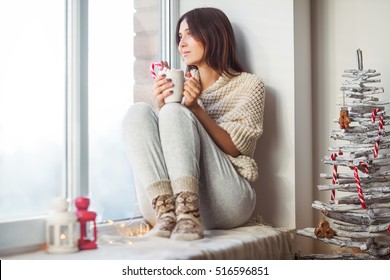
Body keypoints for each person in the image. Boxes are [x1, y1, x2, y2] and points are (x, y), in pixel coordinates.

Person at [122, 7, 265, 241]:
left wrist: (194, 108)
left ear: (214, 34)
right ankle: (167, 214)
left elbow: (237, 148)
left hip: (227, 201)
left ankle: (188, 213)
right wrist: (163, 106)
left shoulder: (250, 85)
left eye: (190, 34)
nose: (181, 44)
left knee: (174, 111)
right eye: (179, 37)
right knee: (137, 112)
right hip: (168, 209)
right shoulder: (183, 85)